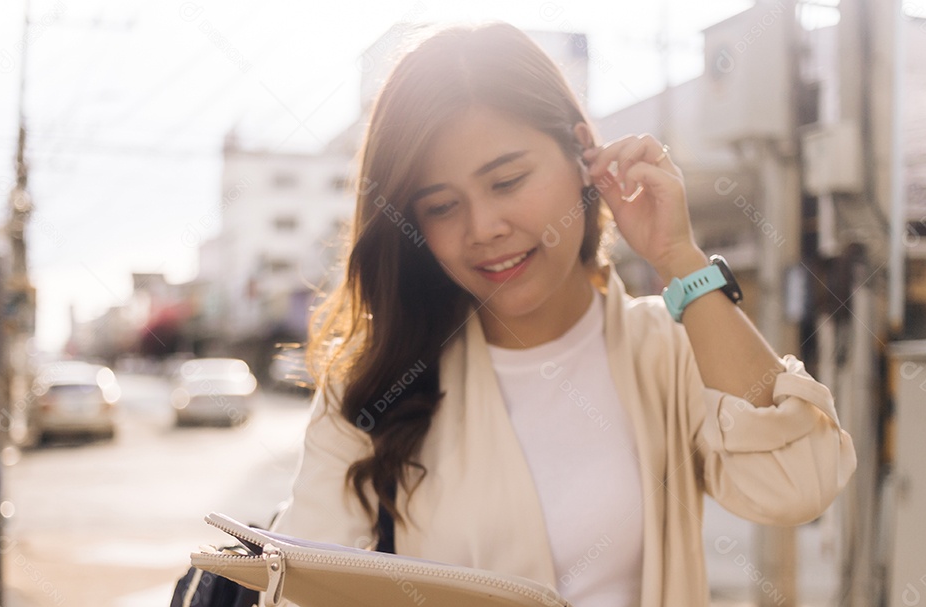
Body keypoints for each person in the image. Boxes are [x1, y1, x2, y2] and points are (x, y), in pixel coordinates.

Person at [270, 20, 857, 607]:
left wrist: (680, 260)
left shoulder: (669, 348)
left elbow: (797, 483)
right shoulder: (372, 383)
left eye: (508, 180)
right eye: (442, 206)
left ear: (582, 153)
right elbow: (301, 589)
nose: (484, 229)